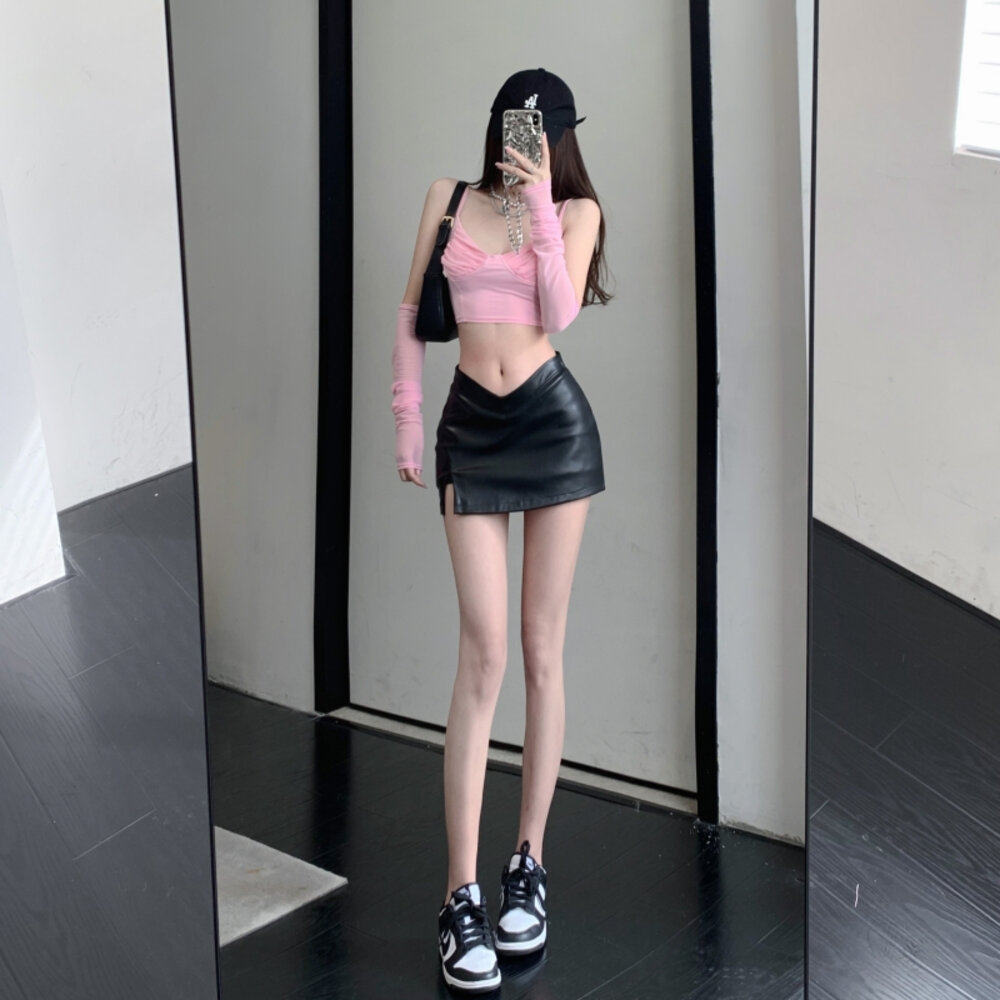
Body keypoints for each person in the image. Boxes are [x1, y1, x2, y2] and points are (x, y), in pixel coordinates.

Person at [391, 67, 612, 994]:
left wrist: (540, 208)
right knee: (482, 656)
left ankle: (529, 862)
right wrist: (409, 419)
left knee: (539, 649)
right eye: (511, 125)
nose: (522, 141)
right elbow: (413, 314)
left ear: (557, 138)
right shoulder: (449, 197)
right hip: (471, 431)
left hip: (553, 426)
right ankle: (460, 894)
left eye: (538, 130)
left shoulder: (574, 211)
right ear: (495, 125)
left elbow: (559, 313)